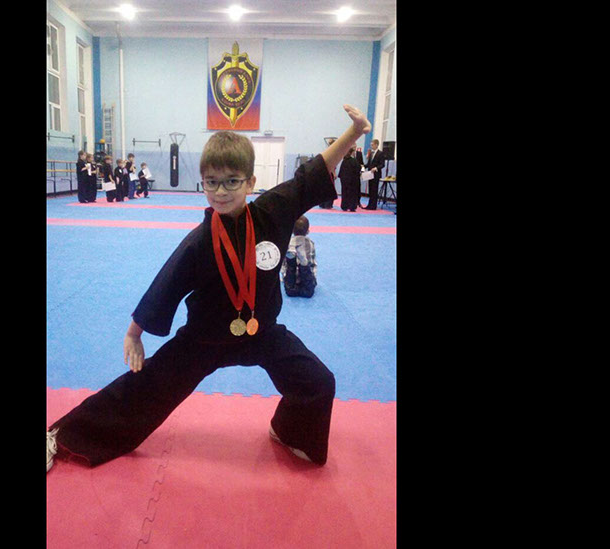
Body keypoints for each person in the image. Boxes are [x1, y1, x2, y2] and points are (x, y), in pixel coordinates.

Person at [46, 104, 373, 472]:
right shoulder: (199, 242)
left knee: (318, 382)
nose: (221, 191)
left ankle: (289, 431)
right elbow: (165, 287)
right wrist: (134, 334)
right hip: (205, 339)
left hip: (261, 332)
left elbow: (313, 173)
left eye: (232, 181)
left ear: (250, 182)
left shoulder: (274, 211)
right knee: (145, 386)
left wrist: (354, 132)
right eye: (212, 182)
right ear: (203, 183)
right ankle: (62, 435)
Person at [281, 216, 317, 298]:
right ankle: (303, 264)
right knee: (308, 292)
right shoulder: (311, 243)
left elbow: (283, 265)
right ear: (307, 231)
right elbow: (313, 264)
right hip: (306, 277)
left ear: (292, 231)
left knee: (290, 291)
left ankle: (291, 262)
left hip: (292, 279)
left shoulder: (287, 243)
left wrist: (283, 276)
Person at [362, 139, 386, 210]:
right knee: (370, 190)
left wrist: (375, 168)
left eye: (372, 145)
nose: (371, 146)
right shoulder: (371, 153)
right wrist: (363, 166)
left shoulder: (380, 153)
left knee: (374, 190)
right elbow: (369, 164)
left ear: (376, 145)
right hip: (370, 174)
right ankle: (370, 205)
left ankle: (373, 206)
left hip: (376, 174)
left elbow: (382, 164)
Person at [337, 147, 361, 212]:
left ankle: (344, 206)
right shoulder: (354, 161)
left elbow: (341, 172)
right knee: (352, 193)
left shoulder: (344, 161)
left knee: (345, 193)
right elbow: (358, 170)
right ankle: (352, 206)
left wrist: (342, 178)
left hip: (344, 180)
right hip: (352, 181)